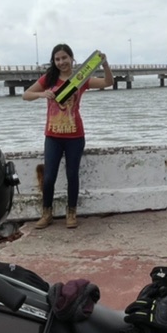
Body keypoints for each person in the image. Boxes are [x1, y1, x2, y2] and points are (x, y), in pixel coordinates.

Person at [22, 43, 114, 228]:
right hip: (53, 136)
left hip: (75, 136)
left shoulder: (81, 78)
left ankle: (71, 213)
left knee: (72, 175)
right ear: (53, 61)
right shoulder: (49, 78)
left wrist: (104, 65)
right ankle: (46, 213)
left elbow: (108, 83)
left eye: (64, 57)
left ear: (72, 58)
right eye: (57, 59)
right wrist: (42, 94)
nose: (61, 62)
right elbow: (26, 95)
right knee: (49, 177)